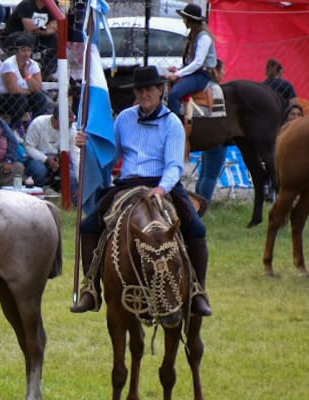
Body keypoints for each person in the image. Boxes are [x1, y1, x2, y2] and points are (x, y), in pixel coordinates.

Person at [72, 65, 212, 317]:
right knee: (88, 226)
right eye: (140, 90)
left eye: (149, 89)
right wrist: (88, 146)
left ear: (160, 90)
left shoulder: (173, 124)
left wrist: (161, 188)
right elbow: (110, 154)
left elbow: (174, 166)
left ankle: (197, 290)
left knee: (196, 228)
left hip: (162, 184)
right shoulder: (124, 118)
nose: (144, 95)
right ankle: (91, 287)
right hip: (127, 184)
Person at [167, 3, 217, 120]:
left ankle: (176, 126)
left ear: (190, 20)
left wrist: (177, 74)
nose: (183, 21)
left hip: (201, 76)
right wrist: (179, 70)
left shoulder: (204, 37)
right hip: (195, 73)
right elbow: (191, 62)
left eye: (185, 19)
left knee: (174, 95)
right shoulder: (195, 34)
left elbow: (198, 62)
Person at [0, 33, 50, 128]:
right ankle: (14, 128)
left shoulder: (33, 65)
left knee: (39, 98)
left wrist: (27, 75)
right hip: (1, 98)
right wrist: (30, 90)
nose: (26, 54)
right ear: (17, 51)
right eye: (23, 50)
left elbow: (37, 88)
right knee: (21, 98)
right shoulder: (8, 64)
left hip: (22, 97)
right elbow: (14, 90)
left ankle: (36, 127)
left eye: (28, 50)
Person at [24, 93, 77, 190]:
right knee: (40, 171)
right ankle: (39, 196)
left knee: (72, 176)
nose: (71, 125)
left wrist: (78, 171)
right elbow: (29, 147)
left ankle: (72, 202)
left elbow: (74, 152)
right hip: (37, 158)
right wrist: (46, 159)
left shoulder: (71, 129)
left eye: (72, 121)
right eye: (69, 122)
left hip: (59, 159)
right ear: (57, 120)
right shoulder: (39, 123)